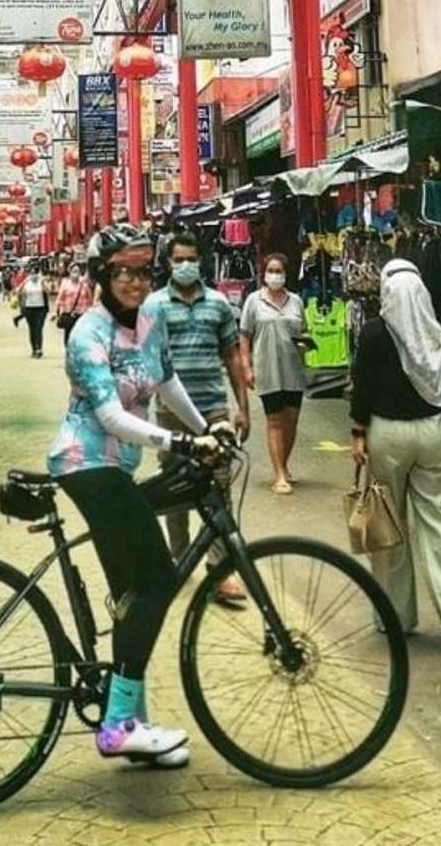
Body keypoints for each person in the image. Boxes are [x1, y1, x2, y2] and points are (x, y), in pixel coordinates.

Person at [48, 223, 223, 768]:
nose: (134, 281)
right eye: (123, 272)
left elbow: (165, 380)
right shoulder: (87, 335)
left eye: (144, 271)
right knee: (158, 579)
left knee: (133, 595)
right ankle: (118, 726)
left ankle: (134, 722)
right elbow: (109, 417)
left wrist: (206, 430)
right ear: (102, 276)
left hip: (117, 470)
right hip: (86, 465)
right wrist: (178, 441)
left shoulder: (150, 320)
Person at [350, 259, 441, 657]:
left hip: (387, 434)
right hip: (434, 433)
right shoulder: (435, 333)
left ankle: (395, 616)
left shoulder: (374, 334)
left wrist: (358, 433)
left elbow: (363, 386)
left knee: (389, 525)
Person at [151, 230, 250, 607]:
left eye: (191, 258)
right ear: (168, 263)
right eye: (178, 260)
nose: (186, 265)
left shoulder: (219, 305)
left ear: (201, 261)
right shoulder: (155, 306)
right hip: (171, 413)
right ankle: (179, 560)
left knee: (219, 490)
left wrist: (242, 407)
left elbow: (232, 356)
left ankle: (220, 571)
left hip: (213, 410)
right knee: (174, 488)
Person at [239, 252, 309, 495]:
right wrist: (246, 367)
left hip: (293, 370)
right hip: (267, 369)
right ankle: (278, 473)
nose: (275, 276)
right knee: (275, 420)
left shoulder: (296, 302)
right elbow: (244, 335)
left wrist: (306, 344)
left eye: (279, 271)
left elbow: (304, 332)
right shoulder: (253, 301)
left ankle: (284, 463)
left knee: (291, 420)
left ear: (286, 275)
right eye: (271, 271)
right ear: (264, 274)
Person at [54, 263, 94, 346]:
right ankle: (69, 351)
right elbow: (59, 299)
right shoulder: (65, 284)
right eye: (74, 271)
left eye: (78, 271)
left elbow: (90, 300)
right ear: (70, 272)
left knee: (81, 334)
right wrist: (56, 312)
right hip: (68, 314)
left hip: (81, 315)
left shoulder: (85, 285)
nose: (76, 274)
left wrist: (91, 313)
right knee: (68, 335)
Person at [18, 268, 49, 358]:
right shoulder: (27, 283)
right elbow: (18, 291)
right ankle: (34, 349)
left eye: (35, 273)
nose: (33, 275)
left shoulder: (41, 282)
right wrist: (24, 282)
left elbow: (48, 291)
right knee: (32, 330)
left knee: (38, 329)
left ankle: (39, 349)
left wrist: (43, 283)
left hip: (41, 309)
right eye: (32, 273)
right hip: (29, 308)